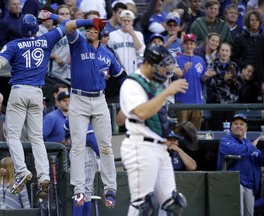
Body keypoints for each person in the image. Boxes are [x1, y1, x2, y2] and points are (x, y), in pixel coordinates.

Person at [0, 10, 104, 200]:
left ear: (21, 29)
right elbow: (70, 25)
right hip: (37, 93)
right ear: (35, 29)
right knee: (37, 137)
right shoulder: (46, 39)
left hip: (19, 90)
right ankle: (44, 175)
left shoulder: (13, 44)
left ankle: (22, 171)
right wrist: (89, 21)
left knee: (13, 135)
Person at [64, 13, 128, 208]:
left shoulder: (108, 53)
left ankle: (110, 189)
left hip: (99, 99)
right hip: (78, 98)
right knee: (77, 146)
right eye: (89, 29)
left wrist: (131, 92)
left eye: (94, 29)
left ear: (101, 34)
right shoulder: (78, 43)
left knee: (106, 146)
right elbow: (68, 26)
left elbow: (122, 76)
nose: (90, 31)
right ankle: (79, 190)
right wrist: (87, 21)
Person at [120, 44, 189, 215]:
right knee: (143, 205)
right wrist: (167, 92)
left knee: (173, 203)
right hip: (140, 147)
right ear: (148, 64)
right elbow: (142, 112)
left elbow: (156, 119)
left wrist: (176, 130)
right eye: (160, 67)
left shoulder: (155, 85)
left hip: (159, 148)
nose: (164, 72)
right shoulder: (132, 83)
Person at [217, 113, 264, 216]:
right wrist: (251, 146)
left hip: (250, 185)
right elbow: (237, 150)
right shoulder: (225, 141)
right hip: (234, 183)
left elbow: (259, 160)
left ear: (246, 128)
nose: (238, 126)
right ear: (231, 127)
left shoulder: (248, 144)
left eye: (241, 124)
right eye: (235, 124)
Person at [64, 119, 100, 216]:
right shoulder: (86, 111)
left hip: (75, 150)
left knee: (80, 189)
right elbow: (90, 138)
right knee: (84, 190)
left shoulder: (73, 111)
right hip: (85, 150)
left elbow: (65, 126)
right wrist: (101, 156)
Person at [175, 33, 208, 130]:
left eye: (191, 43)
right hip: (182, 100)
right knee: (181, 131)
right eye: (186, 43)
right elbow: (173, 79)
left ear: (195, 45)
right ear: (182, 45)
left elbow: (202, 80)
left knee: (195, 133)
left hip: (197, 100)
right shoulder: (177, 59)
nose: (189, 46)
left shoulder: (200, 60)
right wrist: (184, 71)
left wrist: (207, 75)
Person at [108, 9, 145, 75]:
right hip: (118, 72)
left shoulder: (138, 34)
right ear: (120, 21)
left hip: (133, 71)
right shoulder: (112, 35)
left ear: (132, 22)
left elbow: (141, 51)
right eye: (124, 20)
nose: (126, 23)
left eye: (129, 21)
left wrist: (133, 34)